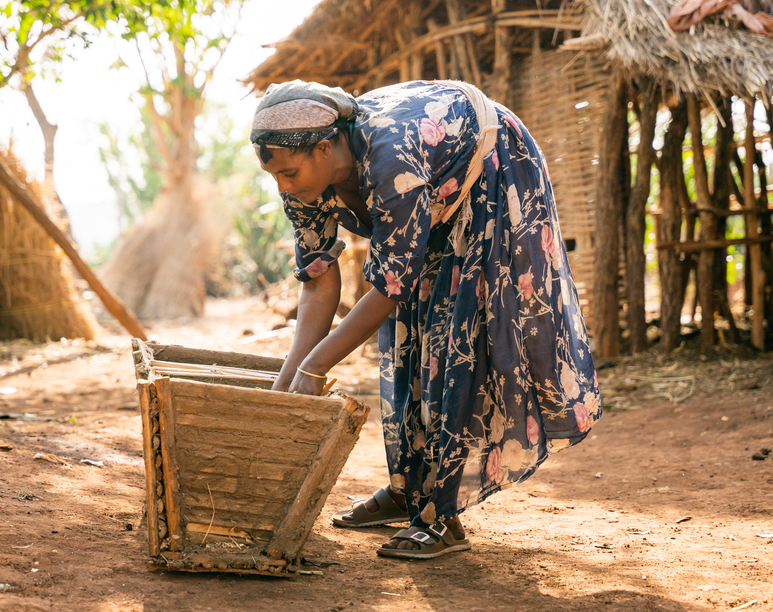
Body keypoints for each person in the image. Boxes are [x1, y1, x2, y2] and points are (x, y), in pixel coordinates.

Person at [252, 79, 600, 560]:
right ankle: (406, 489)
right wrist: (290, 380)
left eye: (289, 174)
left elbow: (390, 285)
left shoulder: (392, 157)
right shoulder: (300, 178)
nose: (283, 186)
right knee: (405, 338)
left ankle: (441, 514)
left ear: (325, 147)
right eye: (275, 177)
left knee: (453, 338)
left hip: (490, 173)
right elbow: (318, 280)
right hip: (432, 197)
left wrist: (316, 371)